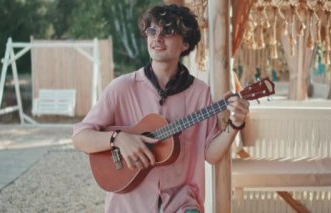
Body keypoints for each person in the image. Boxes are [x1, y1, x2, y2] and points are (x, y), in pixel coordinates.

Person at [72, 4, 249, 213]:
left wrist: (236, 123)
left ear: (185, 43)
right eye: (152, 31)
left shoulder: (200, 93)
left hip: (182, 203)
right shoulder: (122, 87)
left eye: (168, 31)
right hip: (129, 204)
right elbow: (80, 137)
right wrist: (118, 138)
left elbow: (211, 154)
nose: (157, 38)